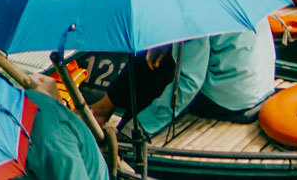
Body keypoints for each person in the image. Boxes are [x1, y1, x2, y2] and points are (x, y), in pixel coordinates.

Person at [90, 24, 275, 138]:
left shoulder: (194, 9)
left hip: (228, 97)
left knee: (149, 70)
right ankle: (103, 110)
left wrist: (143, 125)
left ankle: (121, 127)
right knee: (152, 59)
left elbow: (189, 82)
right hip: (258, 84)